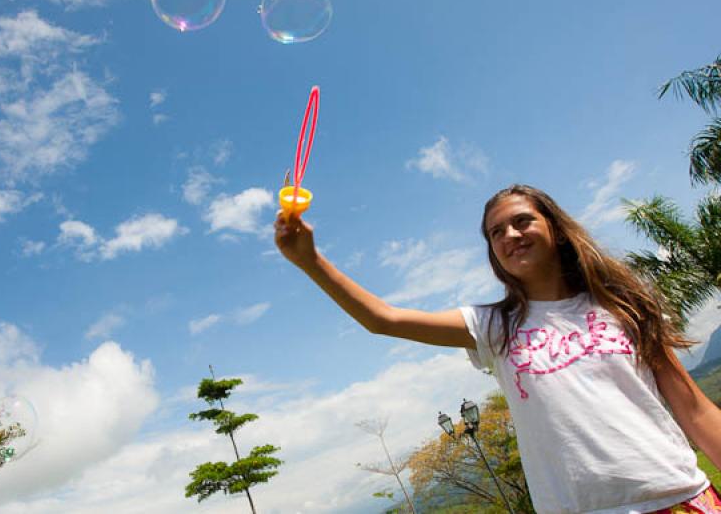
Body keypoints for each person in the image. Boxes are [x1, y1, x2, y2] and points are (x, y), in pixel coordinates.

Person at [274, 184, 721, 514]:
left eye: (521, 221)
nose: (509, 234)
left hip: (678, 497)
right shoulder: (493, 326)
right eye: (495, 232)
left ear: (556, 230)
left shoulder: (623, 306)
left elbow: (693, 408)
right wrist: (311, 261)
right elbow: (382, 319)